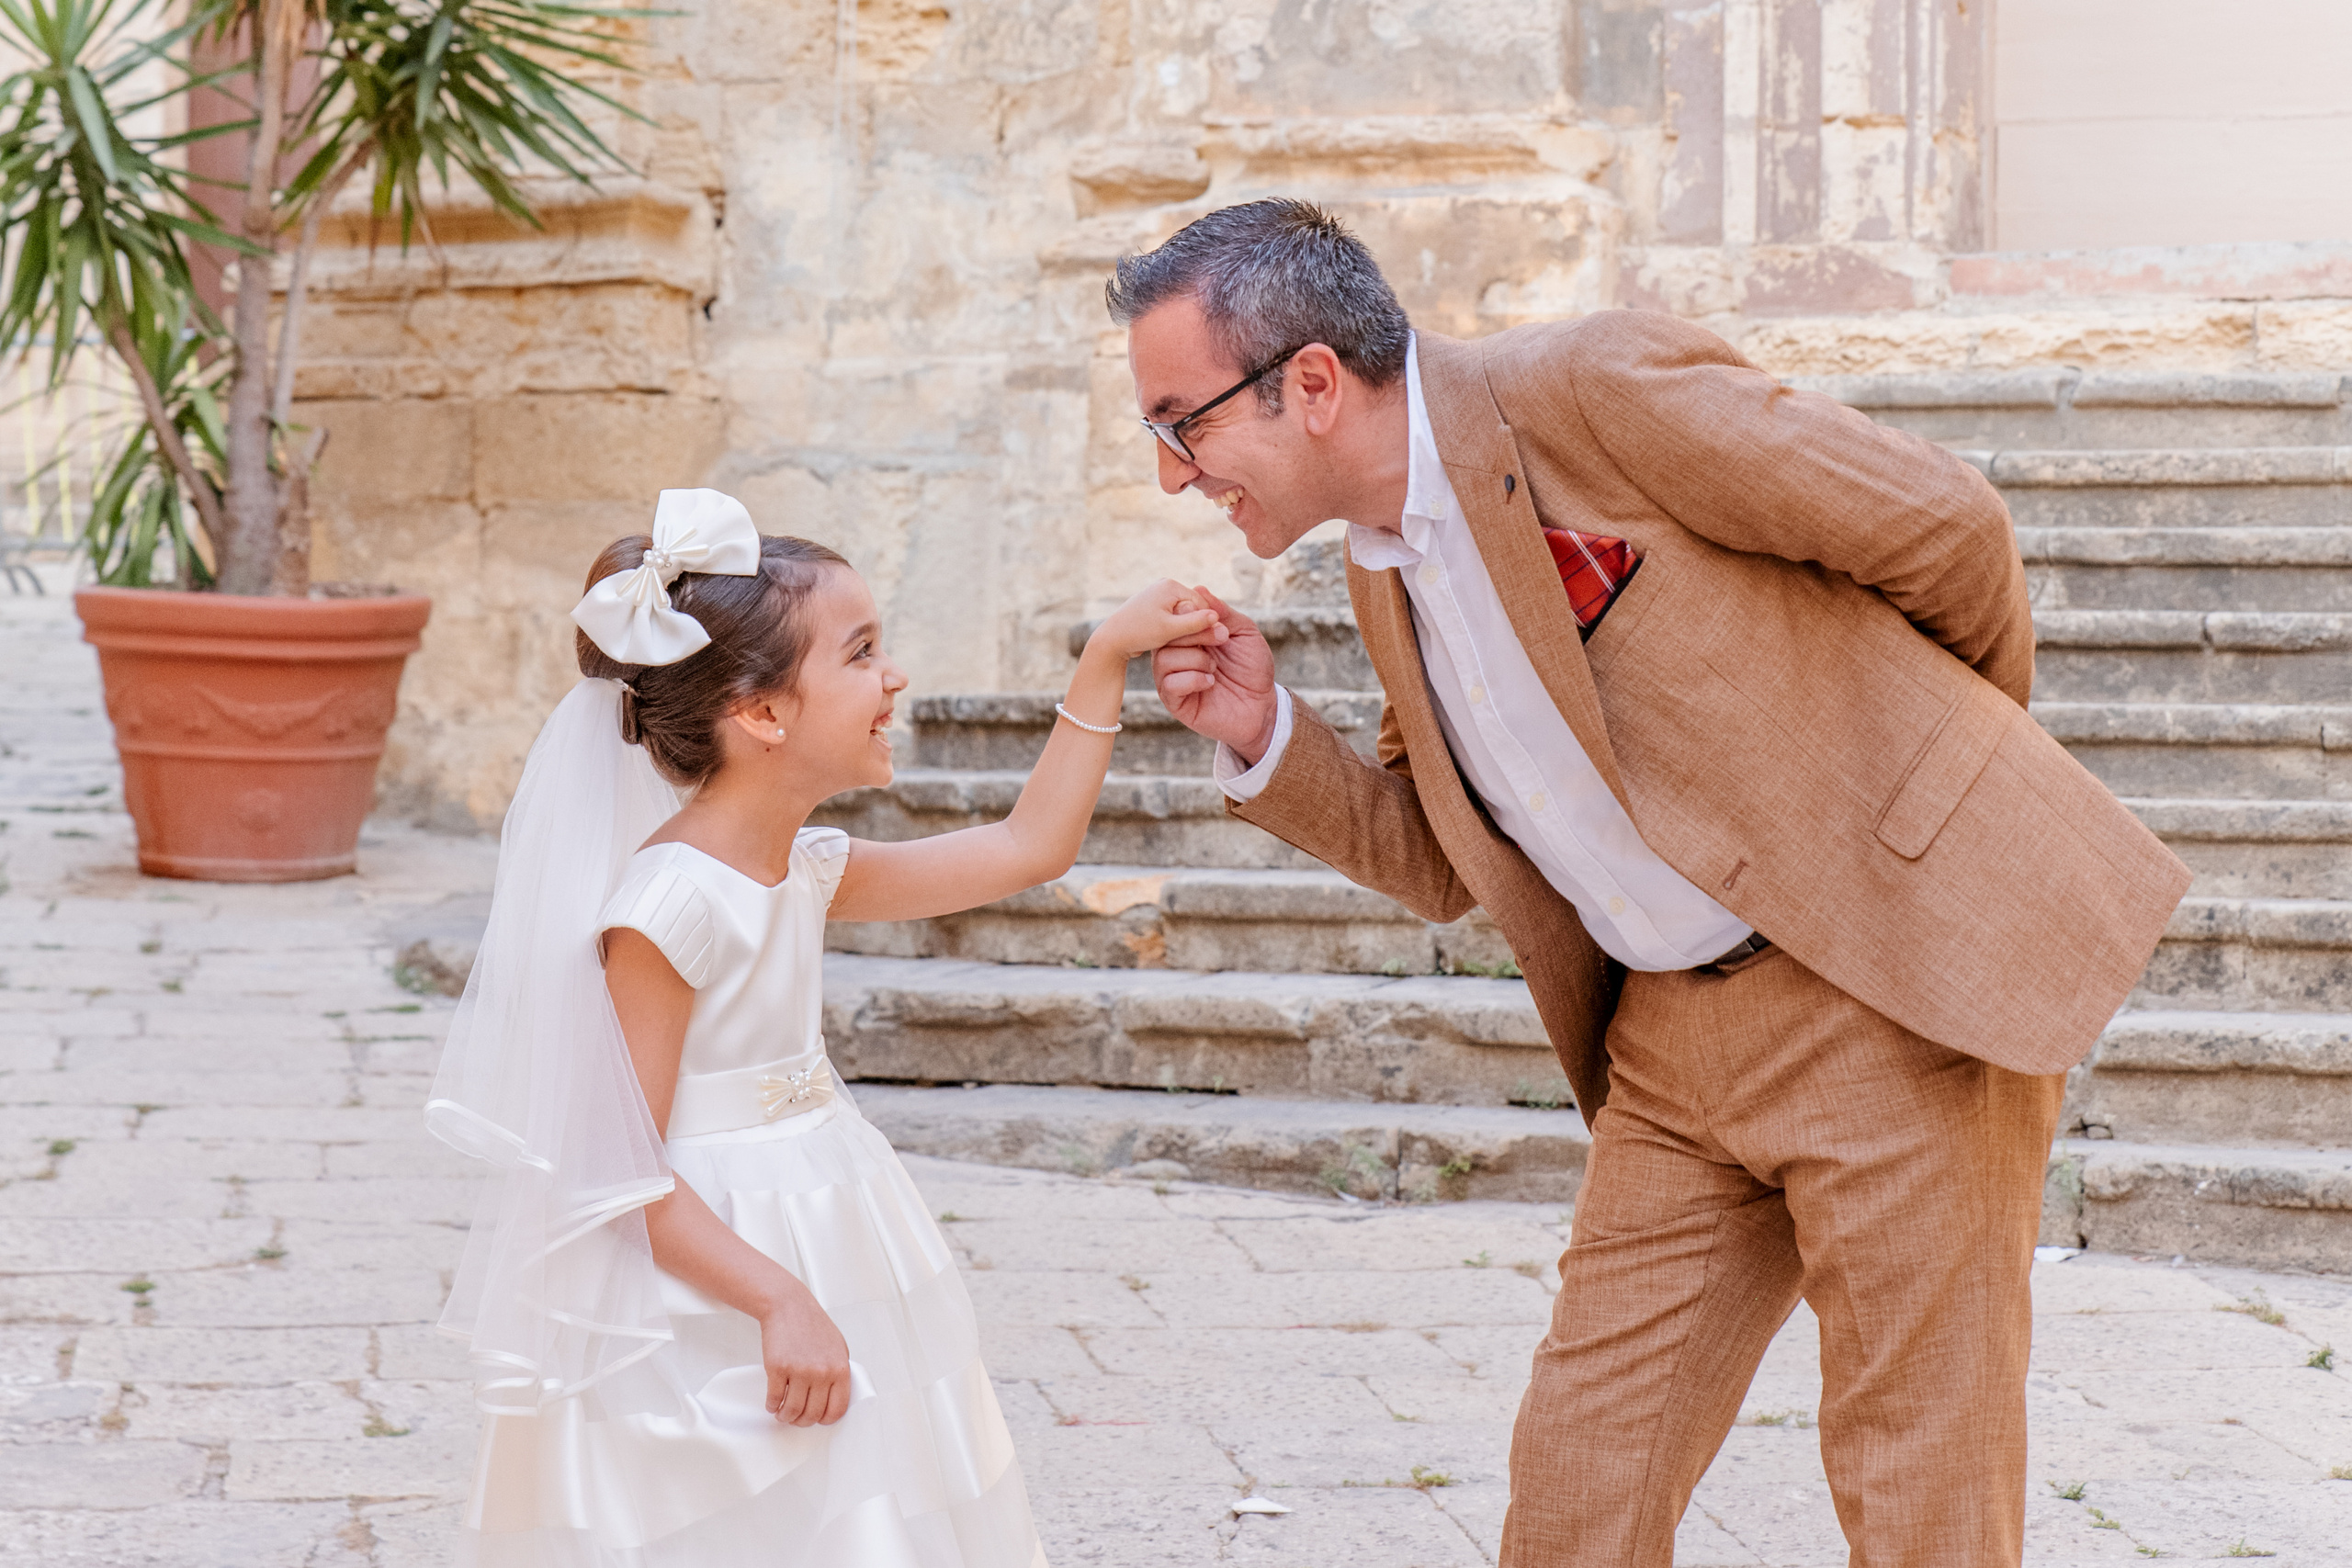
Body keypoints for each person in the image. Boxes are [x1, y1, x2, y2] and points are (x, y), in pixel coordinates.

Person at [1112, 201, 2191, 1566]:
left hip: (1880, 996)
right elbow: (1455, 859)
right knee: (1579, 1482)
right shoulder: (1382, 572)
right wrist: (1268, 735)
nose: (1172, 475)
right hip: (1671, 1053)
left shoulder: (1592, 390)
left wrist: (1922, 809)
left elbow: (1947, 528)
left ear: (1311, 383)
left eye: (1179, 424)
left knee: (1923, 1484)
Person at [425, 488, 1222, 1566]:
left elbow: (1029, 847)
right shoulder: (670, 905)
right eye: (859, 654)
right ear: (762, 713)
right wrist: (778, 1297)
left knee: (863, 1517)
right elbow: (608, 1167)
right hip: (716, 1271)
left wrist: (1106, 660)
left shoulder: (799, 864)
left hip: (835, 1216)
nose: (892, 676)